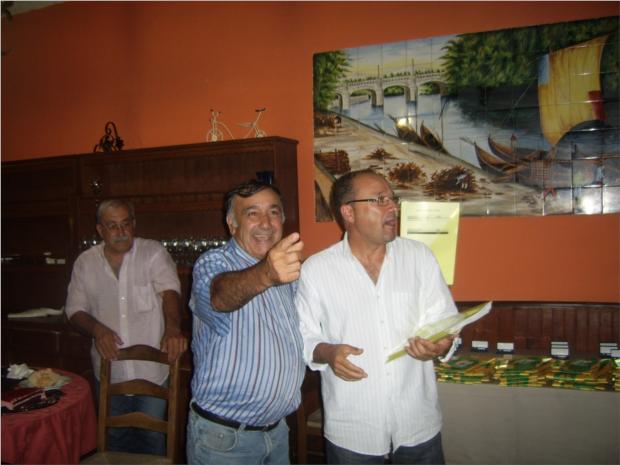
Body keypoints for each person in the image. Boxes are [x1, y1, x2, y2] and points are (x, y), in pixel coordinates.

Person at [296, 169, 458, 464]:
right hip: (353, 429)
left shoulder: (419, 257)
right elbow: (304, 337)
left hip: (417, 424)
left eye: (392, 199)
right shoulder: (316, 270)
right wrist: (328, 352)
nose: (393, 207)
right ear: (349, 212)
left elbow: (446, 321)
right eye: (380, 199)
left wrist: (440, 344)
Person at [187, 179, 305, 465]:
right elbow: (219, 297)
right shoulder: (214, 262)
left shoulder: (289, 272)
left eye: (274, 212)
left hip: (277, 432)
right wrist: (267, 273)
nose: (266, 223)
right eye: (252, 213)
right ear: (232, 224)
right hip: (225, 441)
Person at [65, 198, 187, 455]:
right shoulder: (85, 262)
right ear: (100, 230)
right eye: (112, 226)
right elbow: (74, 309)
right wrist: (97, 330)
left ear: (134, 224)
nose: (120, 232)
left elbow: (170, 292)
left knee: (153, 440)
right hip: (110, 371)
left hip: (152, 370)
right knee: (114, 441)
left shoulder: (152, 252)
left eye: (125, 224)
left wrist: (173, 328)